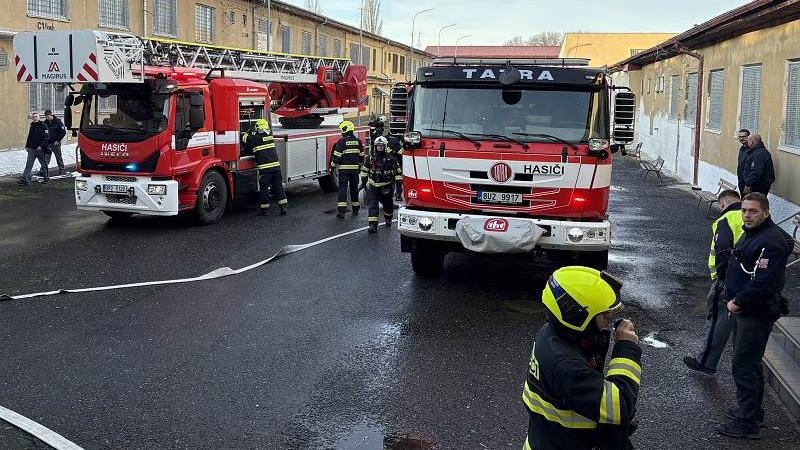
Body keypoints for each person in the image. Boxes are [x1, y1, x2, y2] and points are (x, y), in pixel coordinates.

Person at [522, 266, 641, 450]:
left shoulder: (552, 334)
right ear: (577, 317)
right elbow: (620, 406)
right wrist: (626, 348)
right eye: (603, 315)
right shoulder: (567, 366)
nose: (608, 319)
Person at [718, 193, 792, 439]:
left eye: (753, 211)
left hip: (754, 313)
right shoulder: (756, 234)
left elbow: (764, 282)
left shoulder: (770, 241)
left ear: (766, 213)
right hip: (745, 310)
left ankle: (747, 422)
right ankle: (751, 412)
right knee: (750, 363)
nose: (747, 215)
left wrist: (738, 301)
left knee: (744, 365)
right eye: (745, 210)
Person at [683, 190, 744, 375]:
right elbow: (786, 241)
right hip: (750, 281)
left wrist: (723, 279)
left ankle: (706, 362)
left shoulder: (726, 220)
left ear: (723, 204)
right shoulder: (756, 216)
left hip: (726, 281)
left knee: (718, 320)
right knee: (738, 324)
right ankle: (741, 366)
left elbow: (723, 250)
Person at [243, 118, 287, 216]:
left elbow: (245, 139)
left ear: (258, 128)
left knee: (264, 189)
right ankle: (283, 207)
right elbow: (261, 137)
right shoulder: (270, 137)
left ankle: (265, 210)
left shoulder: (254, 139)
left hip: (265, 170)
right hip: (276, 168)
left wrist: (246, 132)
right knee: (278, 187)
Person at [360, 136, 401, 233]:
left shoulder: (391, 159)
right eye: (378, 145)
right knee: (373, 205)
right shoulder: (370, 158)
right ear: (375, 146)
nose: (379, 147)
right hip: (373, 186)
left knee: (387, 204)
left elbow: (398, 174)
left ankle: (388, 219)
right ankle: (373, 225)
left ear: (385, 146)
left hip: (386, 186)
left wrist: (399, 190)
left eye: (381, 145)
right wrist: (363, 183)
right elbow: (365, 171)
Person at [330, 120, 364, 218]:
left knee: (343, 189)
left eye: (342, 130)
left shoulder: (341, 142)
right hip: (354, 171)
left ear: (345, 130)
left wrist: (332, 167)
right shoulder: (358, 141)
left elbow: (336, 157)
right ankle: (356, 208)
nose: (341, 132)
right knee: (354, 189)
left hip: (344, 171)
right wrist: (359, 167)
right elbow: (361, 156)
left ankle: (341, 211)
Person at [17, 112, 49, 185]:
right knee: (29, 164)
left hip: (40, 149)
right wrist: (27, 146)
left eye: (36, 116)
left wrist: (41, 146)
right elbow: (30, 137)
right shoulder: (32, 126)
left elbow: (46, 138)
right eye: (33, 117)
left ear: (39, 117)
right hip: (32, 149)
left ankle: (46, 178)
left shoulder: (43, 126)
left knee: (43, 164)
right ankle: (25, 179)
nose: (34, 118)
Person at [43, 109, 67, 176]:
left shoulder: (58, 122)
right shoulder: (45, 122)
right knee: (46, 158)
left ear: (51, 114)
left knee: (58, 157)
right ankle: (43, 171)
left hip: (55, 143)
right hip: (48, 144)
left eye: (48, 116)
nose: (47, 118)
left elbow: (63, 132)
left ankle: (62, 170)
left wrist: (58, 140)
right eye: (46, 117)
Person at [386, 134, 404, 202]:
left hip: (387, 164)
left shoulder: (386, 139)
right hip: (396, 163)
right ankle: (398, 195)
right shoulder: (395, 141)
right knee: (398, 180)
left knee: (390, 180)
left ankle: (389, 195)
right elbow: (401, 152)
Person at [735, 129, 750, 194]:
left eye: (744, 137)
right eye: (740, 137)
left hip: (748, 182)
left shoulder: (751, 150)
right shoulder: (742, 149)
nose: (741, 138)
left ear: (749, 137)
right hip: (741, 180)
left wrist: (748, 184)